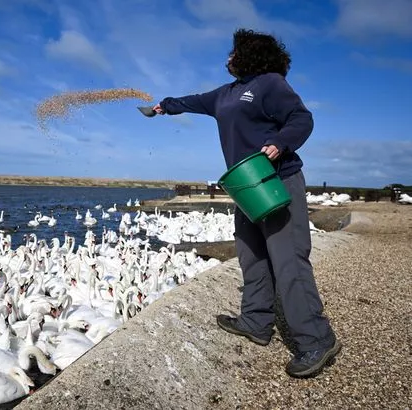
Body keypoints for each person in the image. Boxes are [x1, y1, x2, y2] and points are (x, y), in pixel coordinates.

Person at [152, 28, 341, 378]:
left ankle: (317, 338)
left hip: (277, 181)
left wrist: (281, 142)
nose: (227, 58)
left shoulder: (270, 84)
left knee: (289, 260)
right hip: (245, 185)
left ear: (251, 54)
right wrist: (166, 106)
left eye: (232, 52)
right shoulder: (225, 94)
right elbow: (194, 101)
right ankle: (256, 321)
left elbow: (302, 118)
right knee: (251, 254)